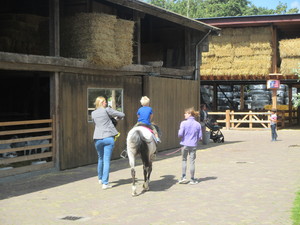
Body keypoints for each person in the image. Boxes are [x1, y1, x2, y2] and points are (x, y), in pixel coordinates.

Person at [92, 96, 125, 190]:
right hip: (108, 137)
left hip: (97, 138)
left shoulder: (93, 113)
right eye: (105, 102)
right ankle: (105, 183)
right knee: (106, 160)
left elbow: (97, 123)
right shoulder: (107, 110)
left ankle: (100, 179)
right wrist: (116, 117)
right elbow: (122, 114)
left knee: (100, 158)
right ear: (102, 103)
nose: (106, 103)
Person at [178, 107, 202, 185]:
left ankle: (183, 177)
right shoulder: (198, 124)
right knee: (192, 162)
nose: (184, 114)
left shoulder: (183, 123)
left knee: (184, 160)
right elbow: (200, 137)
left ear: (189, 114)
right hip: (193, 145)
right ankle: (192, 179)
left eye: (186, 113)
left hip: (184, 144)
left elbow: (180, 134)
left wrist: (181, 135)